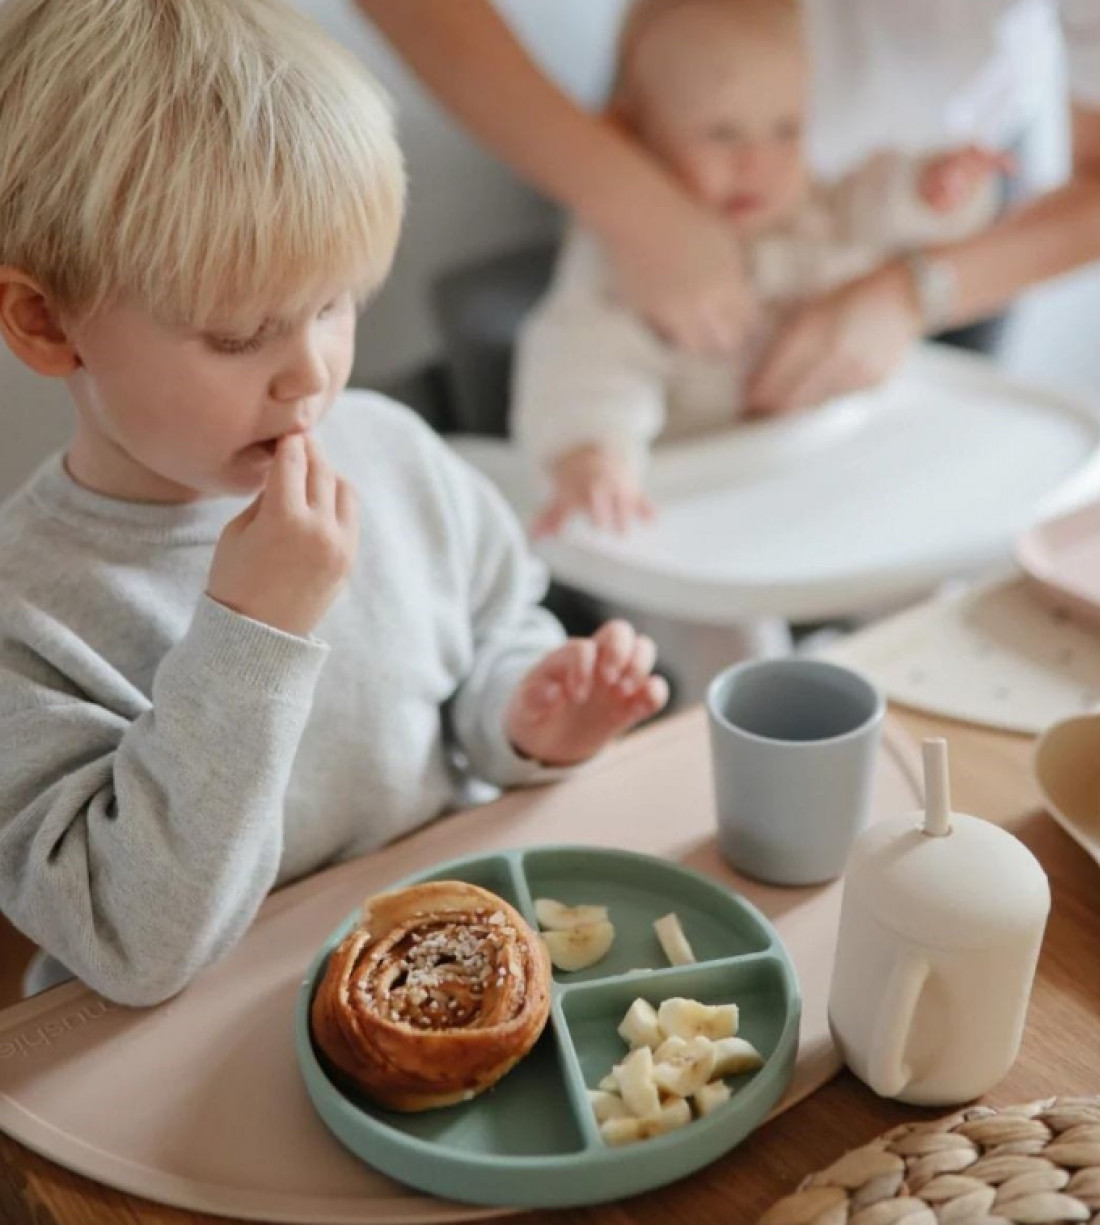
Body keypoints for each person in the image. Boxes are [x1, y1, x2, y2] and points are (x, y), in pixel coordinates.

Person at [0, 0, 668, 1007]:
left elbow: (490, 640)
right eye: (238, 336)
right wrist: (253, 631)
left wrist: (530, 717)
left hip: (441, 970)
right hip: (183, 1054)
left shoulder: (393, 453)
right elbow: (135, 944)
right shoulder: (30, 613)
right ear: (46, 323)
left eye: (333, 304)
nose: (311, 375)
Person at [355, 0, 1100, 406]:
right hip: (669, 194)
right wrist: (629, 201)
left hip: (923, 225)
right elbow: (583, 376)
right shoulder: (620, 257)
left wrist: (913, 285)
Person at [513, 0, 1008, 535]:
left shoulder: (823, 205)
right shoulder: (627, 261)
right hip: (694, 494)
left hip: (826, 469)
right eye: (722, 133)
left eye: (786, 130)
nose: (757, 162)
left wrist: (935, 191)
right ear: (636, 137)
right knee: (691, 600)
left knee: (924, 539)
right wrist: (593, 450)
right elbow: (585, 358)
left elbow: (885, 207)